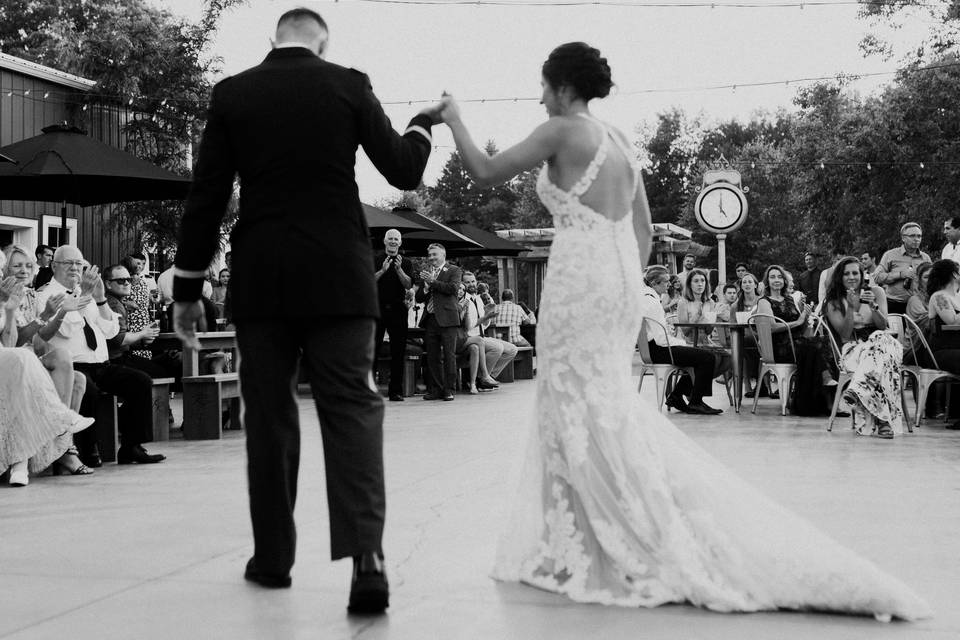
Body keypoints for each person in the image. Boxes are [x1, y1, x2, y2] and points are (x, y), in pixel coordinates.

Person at [439, 41, 929, 619]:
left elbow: (486, 169)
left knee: (571, 403)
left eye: (543, 85)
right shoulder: (619, 141)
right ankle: (591, 532)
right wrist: (622, 284)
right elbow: (642, 232)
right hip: (617, 282)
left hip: (577, 286)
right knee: (601, 403)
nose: (539, 95)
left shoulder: (563, 131)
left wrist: (453, 117)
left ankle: (583, 541)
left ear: (564, 87)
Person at [170, 8, 438, 613]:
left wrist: (188, 289)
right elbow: (403, 168)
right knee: (352, 411)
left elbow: (207, 195)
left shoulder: (234, 93)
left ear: (274, 40)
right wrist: (423, 121)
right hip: (341, 278)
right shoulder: (348, 83)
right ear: (323, 42)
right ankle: (367, 559)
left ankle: (273, 560)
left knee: (269, 417)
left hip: (264, 280)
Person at [35, 246, 166, 467]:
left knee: (140, 381)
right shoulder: (46, 295)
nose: (76, 268)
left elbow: (110, 331)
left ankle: (130, 446)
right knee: (89, 390)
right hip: (71, 367)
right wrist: (84, 294)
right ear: (54, 265)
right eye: (69, 263)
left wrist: (101, 299)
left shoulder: (87, 291)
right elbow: (66, 329)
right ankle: (88, 450)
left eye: (79, 263)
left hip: (101, 363)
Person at [1, 266, 95, 486]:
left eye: (27, 266)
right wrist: (42, 315)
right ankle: (61, 439)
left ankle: (60, 439)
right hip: (16, 362)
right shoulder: (17, 296)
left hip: (27, 357)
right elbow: (13, 345)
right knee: (26, 359)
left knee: (72, 371)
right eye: (16, 266)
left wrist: (60, 312)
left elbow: (39, 340)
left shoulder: (30, 296)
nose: (23, 271)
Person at [823, 256, 904, 438]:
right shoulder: (834, 301)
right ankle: (884, 423)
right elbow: (844, 334)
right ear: (839, 277)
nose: (852, 277)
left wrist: (872, 306)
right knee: (883, 364)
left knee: (879, 337)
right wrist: (851, 308)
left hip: (884, 345)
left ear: (862, 275)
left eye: (855, 273)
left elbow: (883, 326)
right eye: (846, 274)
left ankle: (858, 388)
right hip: (854, 348)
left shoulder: (877, 292)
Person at [639, 266, 723, 415]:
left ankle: (677, 396)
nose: (669, 284)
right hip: (659, 350)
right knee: (707, 357)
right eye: (665, 281)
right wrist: (683, 343)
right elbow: (661, 340)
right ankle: (695, 402)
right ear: (654, 283)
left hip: (652, 349)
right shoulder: (652, 303)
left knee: (701, 356)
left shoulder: (646, 298)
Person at [755, 265, 834, 415]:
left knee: (824, 342)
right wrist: (797, 322)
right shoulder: (764, 301)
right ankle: (825, 386)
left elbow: (801, 329)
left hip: (797, 343)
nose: (776, 280)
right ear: (767, 281)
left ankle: (824, 398)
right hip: (778, 347)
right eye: (772, 277)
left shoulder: (790, 299)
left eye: (779, 277)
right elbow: (770, 327)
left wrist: (805, 317)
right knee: (814, 346)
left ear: (784, 281)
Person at [416, 243, 462, 402]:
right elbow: (419, 298)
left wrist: (433, 282)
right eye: (429, 255)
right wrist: (426, 288)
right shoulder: (427, 272)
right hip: (430, 319)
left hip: (448, 319)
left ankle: (449, 389)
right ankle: (435, 389)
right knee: (432, 357)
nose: (431, 258)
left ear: (443, 255)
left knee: (449, 355)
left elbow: (452, 289)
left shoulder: (454, 270)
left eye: (434, 255)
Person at [373, 229, 413, 401]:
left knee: (398, 351)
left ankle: (395, 391)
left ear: (400, 242)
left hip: (398, 309)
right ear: (384, 241)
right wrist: (382, 270)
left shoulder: (407, 262)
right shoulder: (374, 258)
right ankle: (370, 391)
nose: (393, 241)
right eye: (390, 238)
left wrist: (398, 270)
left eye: (396, 239)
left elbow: (408, 284)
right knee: (372, 350)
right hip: (377, 308)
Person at [461, 271, 513, 388]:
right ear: (462, 284)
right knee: (497, 348)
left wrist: (488, 314)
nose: (471, 284)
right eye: (467, 282)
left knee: (512, 350)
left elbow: (484, 325)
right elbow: (467, 326)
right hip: (470, 338)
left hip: (481, 335)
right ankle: (482, 379)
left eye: (473, 281)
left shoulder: (478, 299)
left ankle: (485, 377)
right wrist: (486, 316)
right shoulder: (464, 300)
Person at [873, 222, 932, 314]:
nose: (916, 239)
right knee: (895, 329)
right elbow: (877, 277)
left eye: (919, 236)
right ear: (903, 238)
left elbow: (931, 282)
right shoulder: (890, 255)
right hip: (894, 305)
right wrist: (900, 275)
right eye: (912, 236)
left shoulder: (926, 258)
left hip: (918, 306)